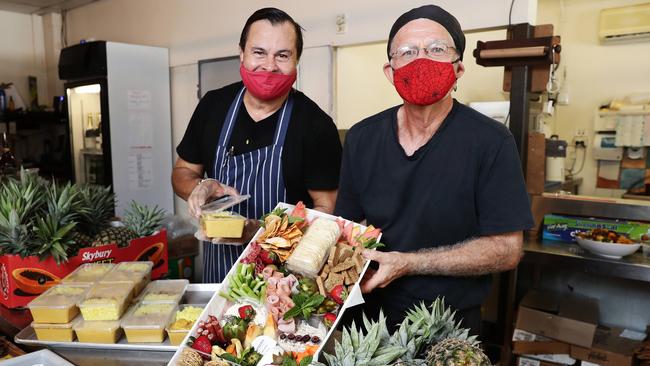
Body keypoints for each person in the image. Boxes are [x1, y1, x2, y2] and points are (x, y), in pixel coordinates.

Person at [334, 5, 534, 334]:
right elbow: (349, 227)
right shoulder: (361, 138)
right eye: (408, 52)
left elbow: (507, 249)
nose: (422, 59)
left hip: (448, 327)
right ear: (390, 70)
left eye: (437, 49)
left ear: (458, 69)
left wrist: (410, 263)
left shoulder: (491, 142)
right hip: (366, 326)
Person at [172, 7, 342, 283]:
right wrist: (200, 187)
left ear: (297, 60)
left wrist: (262, 232)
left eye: (283, 55)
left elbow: (327, 211)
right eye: (259, 52)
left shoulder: (315, 125)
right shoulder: (213, 106)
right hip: (219, 277)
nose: (270, 65)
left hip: (285, 282)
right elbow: (181, 173)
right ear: (242, 53)